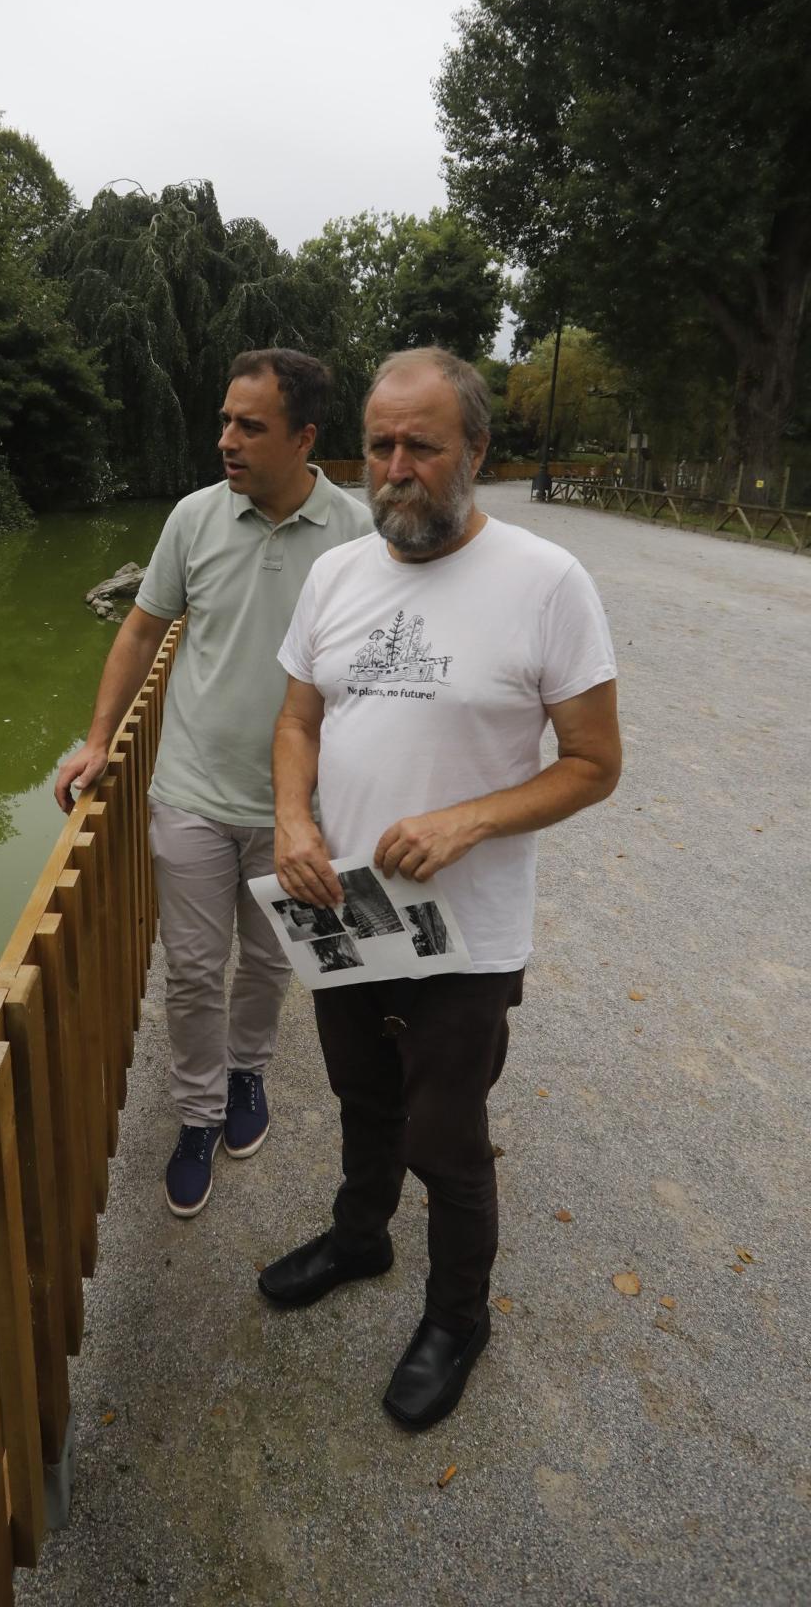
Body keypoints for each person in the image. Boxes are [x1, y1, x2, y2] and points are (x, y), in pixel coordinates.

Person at [259, 347, 621, 1429]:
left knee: (444, 1133)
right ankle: (362, 1237)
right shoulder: (335, 575)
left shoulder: (546, 581)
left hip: (466, 936)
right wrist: (291, 818)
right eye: (380, 445)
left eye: (422, 444)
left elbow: (595, 763)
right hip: (345, 915)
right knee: (363, 1098)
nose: (397, 467)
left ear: (476, 450)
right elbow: (296, 722)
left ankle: (459, 1314)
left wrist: (472, 817)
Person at [54, 349, 372, 1217]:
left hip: (294, 808)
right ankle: (196, 1114)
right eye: (225, 421)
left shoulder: (356, 535)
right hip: (190, 790)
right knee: (193, 969)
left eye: (250, 426)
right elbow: (140, 630)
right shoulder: (194, 518)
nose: (225, 439)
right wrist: (96, 742)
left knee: (268, 961)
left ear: (305, 437)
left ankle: (247, 1077)